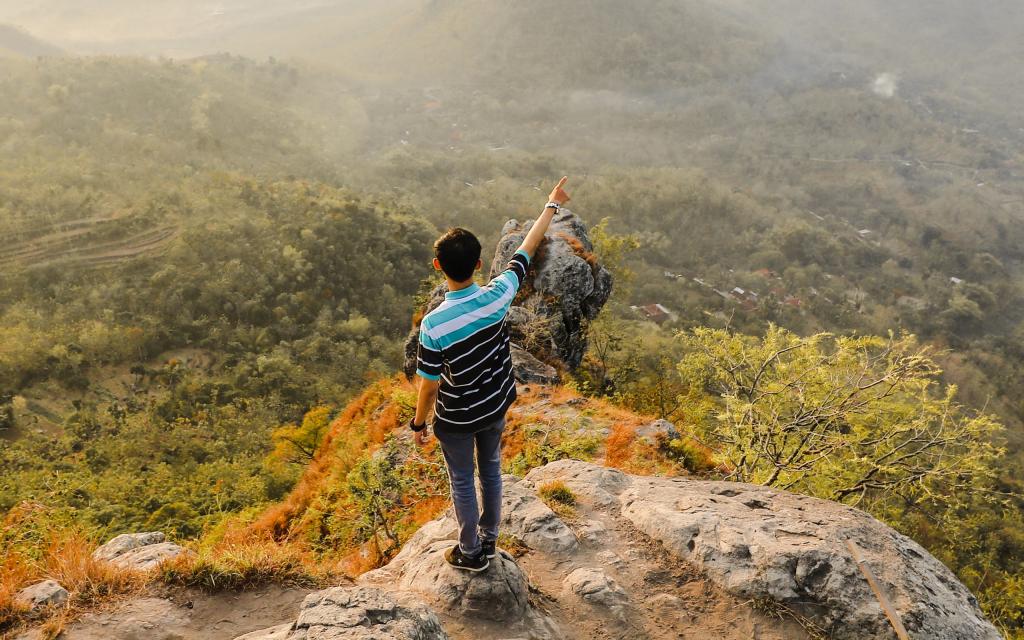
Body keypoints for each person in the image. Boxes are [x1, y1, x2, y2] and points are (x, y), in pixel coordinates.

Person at [409, 177, 572, 571]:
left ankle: (470, 552)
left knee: (463, 479)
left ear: (437, 266)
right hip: (495, 404)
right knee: (492, 470)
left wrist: (418, 424)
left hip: (457, 418)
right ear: (479, 264)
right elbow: (526, 249)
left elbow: (429, 386)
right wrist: (550, 205)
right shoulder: (499, 294)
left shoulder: (434, 324)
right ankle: (490, 540)